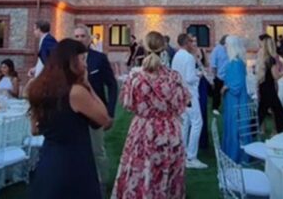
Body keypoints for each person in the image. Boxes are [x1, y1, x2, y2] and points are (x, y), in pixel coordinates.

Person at [27, 39, 112, 199]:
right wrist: (87, 84)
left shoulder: (37, 87)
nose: (86, 65)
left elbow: (35, 130)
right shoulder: (76, 92)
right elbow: (104, 118)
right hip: (73, 161)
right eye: (82, 60)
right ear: (71, 62)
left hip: (49, 159)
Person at [112, 31, 191, 199]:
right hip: (168, 130)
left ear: (145, 48)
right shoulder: (174, 77)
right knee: (166, 171)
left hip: (143, 129)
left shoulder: (135, 77)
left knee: (141, 169)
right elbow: (182, 104)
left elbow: (128, 104)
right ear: (163, 48)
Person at [73, 25, 118, 196]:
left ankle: (101, 182)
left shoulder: (99, 59)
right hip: (73, 114)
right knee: (76, 149)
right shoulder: (68, 59)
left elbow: (112, 85)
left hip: (95, 114)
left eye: (82, 36)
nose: (79, 39)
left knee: (97, 150)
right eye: (76, 36)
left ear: (90, 38)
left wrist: (111, 112)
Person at [171, 33, 207, 169]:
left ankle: (183, 152)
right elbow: (190, 78)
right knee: (197, 123)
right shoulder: (188, 57)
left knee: (185, 123)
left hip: (179, 93)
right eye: (191, 42)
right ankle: (191, 157)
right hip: (189, 94)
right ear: (186, 43)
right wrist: (199, 75)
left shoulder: (177, 55)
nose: (193, 44)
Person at [220, 35, 250, 163]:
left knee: (236, 125)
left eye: (227, 44)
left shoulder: (236, 63)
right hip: (232, 99)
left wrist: (225, 87)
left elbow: (237, 85)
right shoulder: (235, 62)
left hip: (235, 100)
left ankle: (236, 154)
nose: (225, 47)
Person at [256, 36, 283, 135]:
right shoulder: (271, 59)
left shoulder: (262, 59)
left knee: (262, 111)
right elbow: (275, 76)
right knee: (278, 111)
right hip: (269, 88)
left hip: (263, 86)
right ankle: (281, 132)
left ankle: (251, 130)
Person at [191, 36, 210, 149]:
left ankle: (203, 140)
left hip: (202, 82)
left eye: (195, 41)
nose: (194, 43)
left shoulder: (202, 51)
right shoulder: (188, 54)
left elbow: (207, 65)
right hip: (194, 82)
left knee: (203, 108)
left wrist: (205, 71)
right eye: (192, 41)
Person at [209, 35, 228, 116]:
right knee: (217, 92)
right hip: (219, 75)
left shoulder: (229, 50)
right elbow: (213, 64)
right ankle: (215, 107)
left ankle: (226, 107)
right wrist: (214, 75)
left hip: (228, 75)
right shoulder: (217, 49)